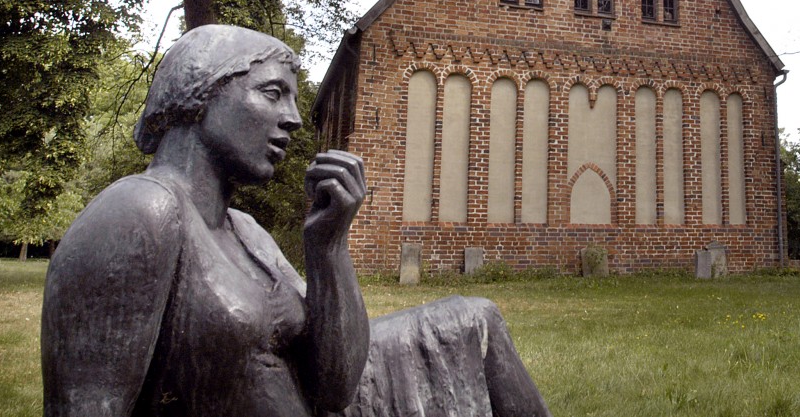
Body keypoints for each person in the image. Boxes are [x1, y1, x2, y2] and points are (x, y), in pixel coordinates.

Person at [41, 25, 550, 417]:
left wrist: (328, 247)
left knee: (473, 320)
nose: (294, 117)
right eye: (271, 93)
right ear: (201, 95)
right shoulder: (139, 212)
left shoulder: (246, 231)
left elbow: (336, 384)